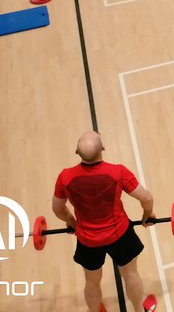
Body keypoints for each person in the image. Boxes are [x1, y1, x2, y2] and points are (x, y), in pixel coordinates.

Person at [51, 132, 157, 312]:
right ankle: (140, 309)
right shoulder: (118, 172)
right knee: (130, 274)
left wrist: (72, 222)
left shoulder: (65, 177)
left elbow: (57, 208)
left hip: (87, 240)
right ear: (103, 149)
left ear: (77, 152)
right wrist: (147, 214)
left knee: (92, 281)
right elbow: (146, 198)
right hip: (120, 235)